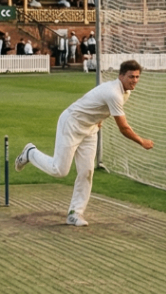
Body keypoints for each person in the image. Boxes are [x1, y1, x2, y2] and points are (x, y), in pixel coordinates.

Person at [16, 60, 153, 225]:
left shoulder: (126, 93)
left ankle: (75, 213)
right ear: (121, 76)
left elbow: (100, 107)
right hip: (72, 124)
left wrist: (99, 119)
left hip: (90, 129)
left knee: (87, 171)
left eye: (137, 77)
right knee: (59, 170)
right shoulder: (113, 93)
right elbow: (123, 128)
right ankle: (30, 153)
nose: (135, 80)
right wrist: (142, 141)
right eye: (131, 76)